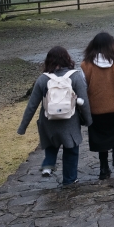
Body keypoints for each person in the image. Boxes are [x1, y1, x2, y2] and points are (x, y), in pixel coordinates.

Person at [17, 46, 91, 186]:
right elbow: (84, 102)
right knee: (71, 150)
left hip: (48, 121)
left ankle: (48, 165)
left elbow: (32, 105)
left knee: (51, 145)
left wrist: (23, 127)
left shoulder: (42, 79)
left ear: (48, 60)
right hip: (69, 122)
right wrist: (88, 120)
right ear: (67, 58)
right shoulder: (74, 76)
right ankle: (69, 180)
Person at [81, 31, 114, 180]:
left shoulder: (86, 65)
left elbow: (82, 87)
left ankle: (103, 168)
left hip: (97, 109)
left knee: (101, 137)